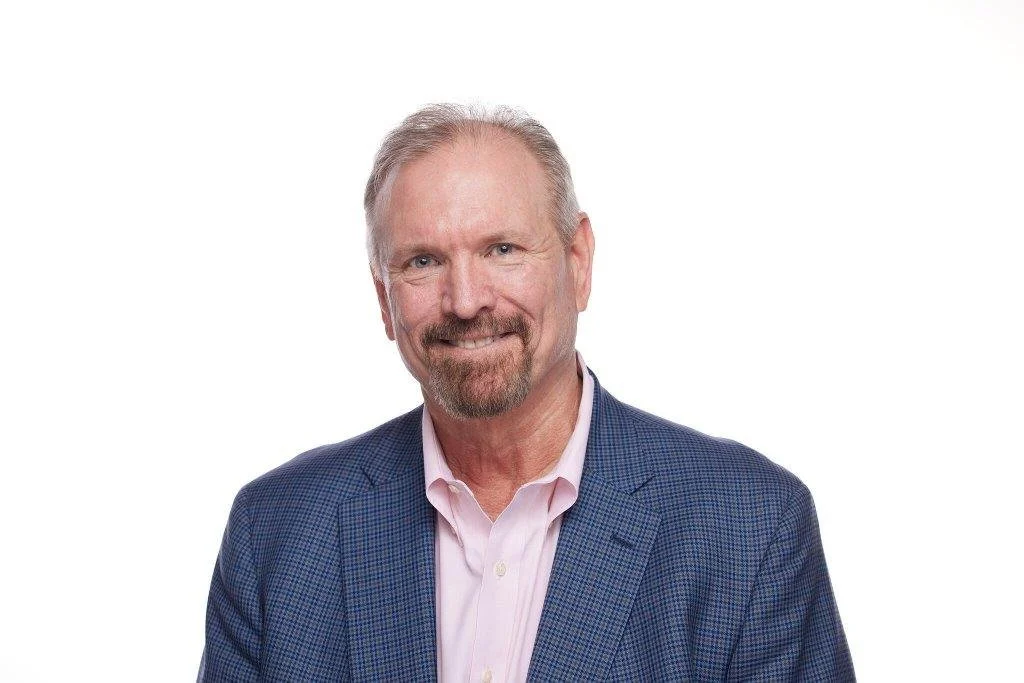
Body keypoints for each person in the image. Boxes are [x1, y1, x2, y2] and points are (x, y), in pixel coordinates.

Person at [199, 104, 855, 682]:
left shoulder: (749, 526)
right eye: (423, 261)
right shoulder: (278, 533)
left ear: (578, 262)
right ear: (382, 297)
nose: (466, 299)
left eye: (502, 249)